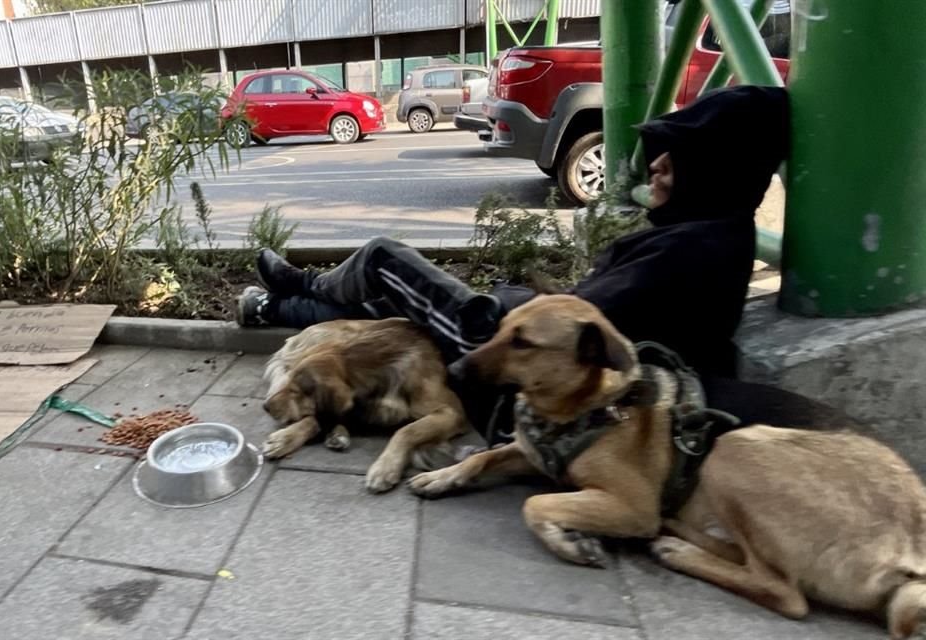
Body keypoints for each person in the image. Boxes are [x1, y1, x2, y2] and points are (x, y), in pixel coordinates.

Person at [237, 85, 790, 442]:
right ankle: (273, 308)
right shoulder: (706, 231)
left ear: (720, 170)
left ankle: (300, 285)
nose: (659, 164)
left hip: (497, 342)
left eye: (681, 156)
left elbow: (580, 326)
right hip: (520, 328)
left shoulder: (691, 251)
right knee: (391, 309)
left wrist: (514, 306)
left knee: (385, 260)